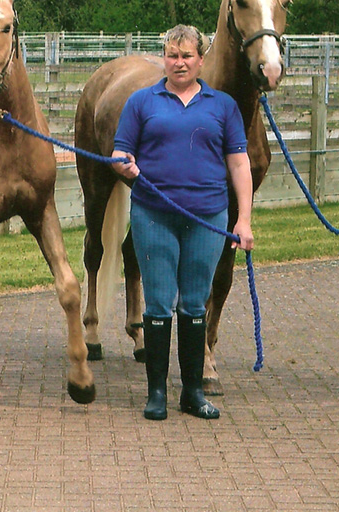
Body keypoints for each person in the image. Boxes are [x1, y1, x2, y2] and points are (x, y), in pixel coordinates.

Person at [111, 24, 255, 421]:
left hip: (207, 219)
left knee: (193, 304)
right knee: (158, 303)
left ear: (200, 60)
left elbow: (239, 163)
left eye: (187, 56)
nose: (179, 62)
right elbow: (120, 151)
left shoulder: (222, 106)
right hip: (153, 216)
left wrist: (243, 218)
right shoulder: (142, 102)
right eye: (172, 55)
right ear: (164, 58)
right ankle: (156, 392)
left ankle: (192, 392)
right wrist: (125, 164)